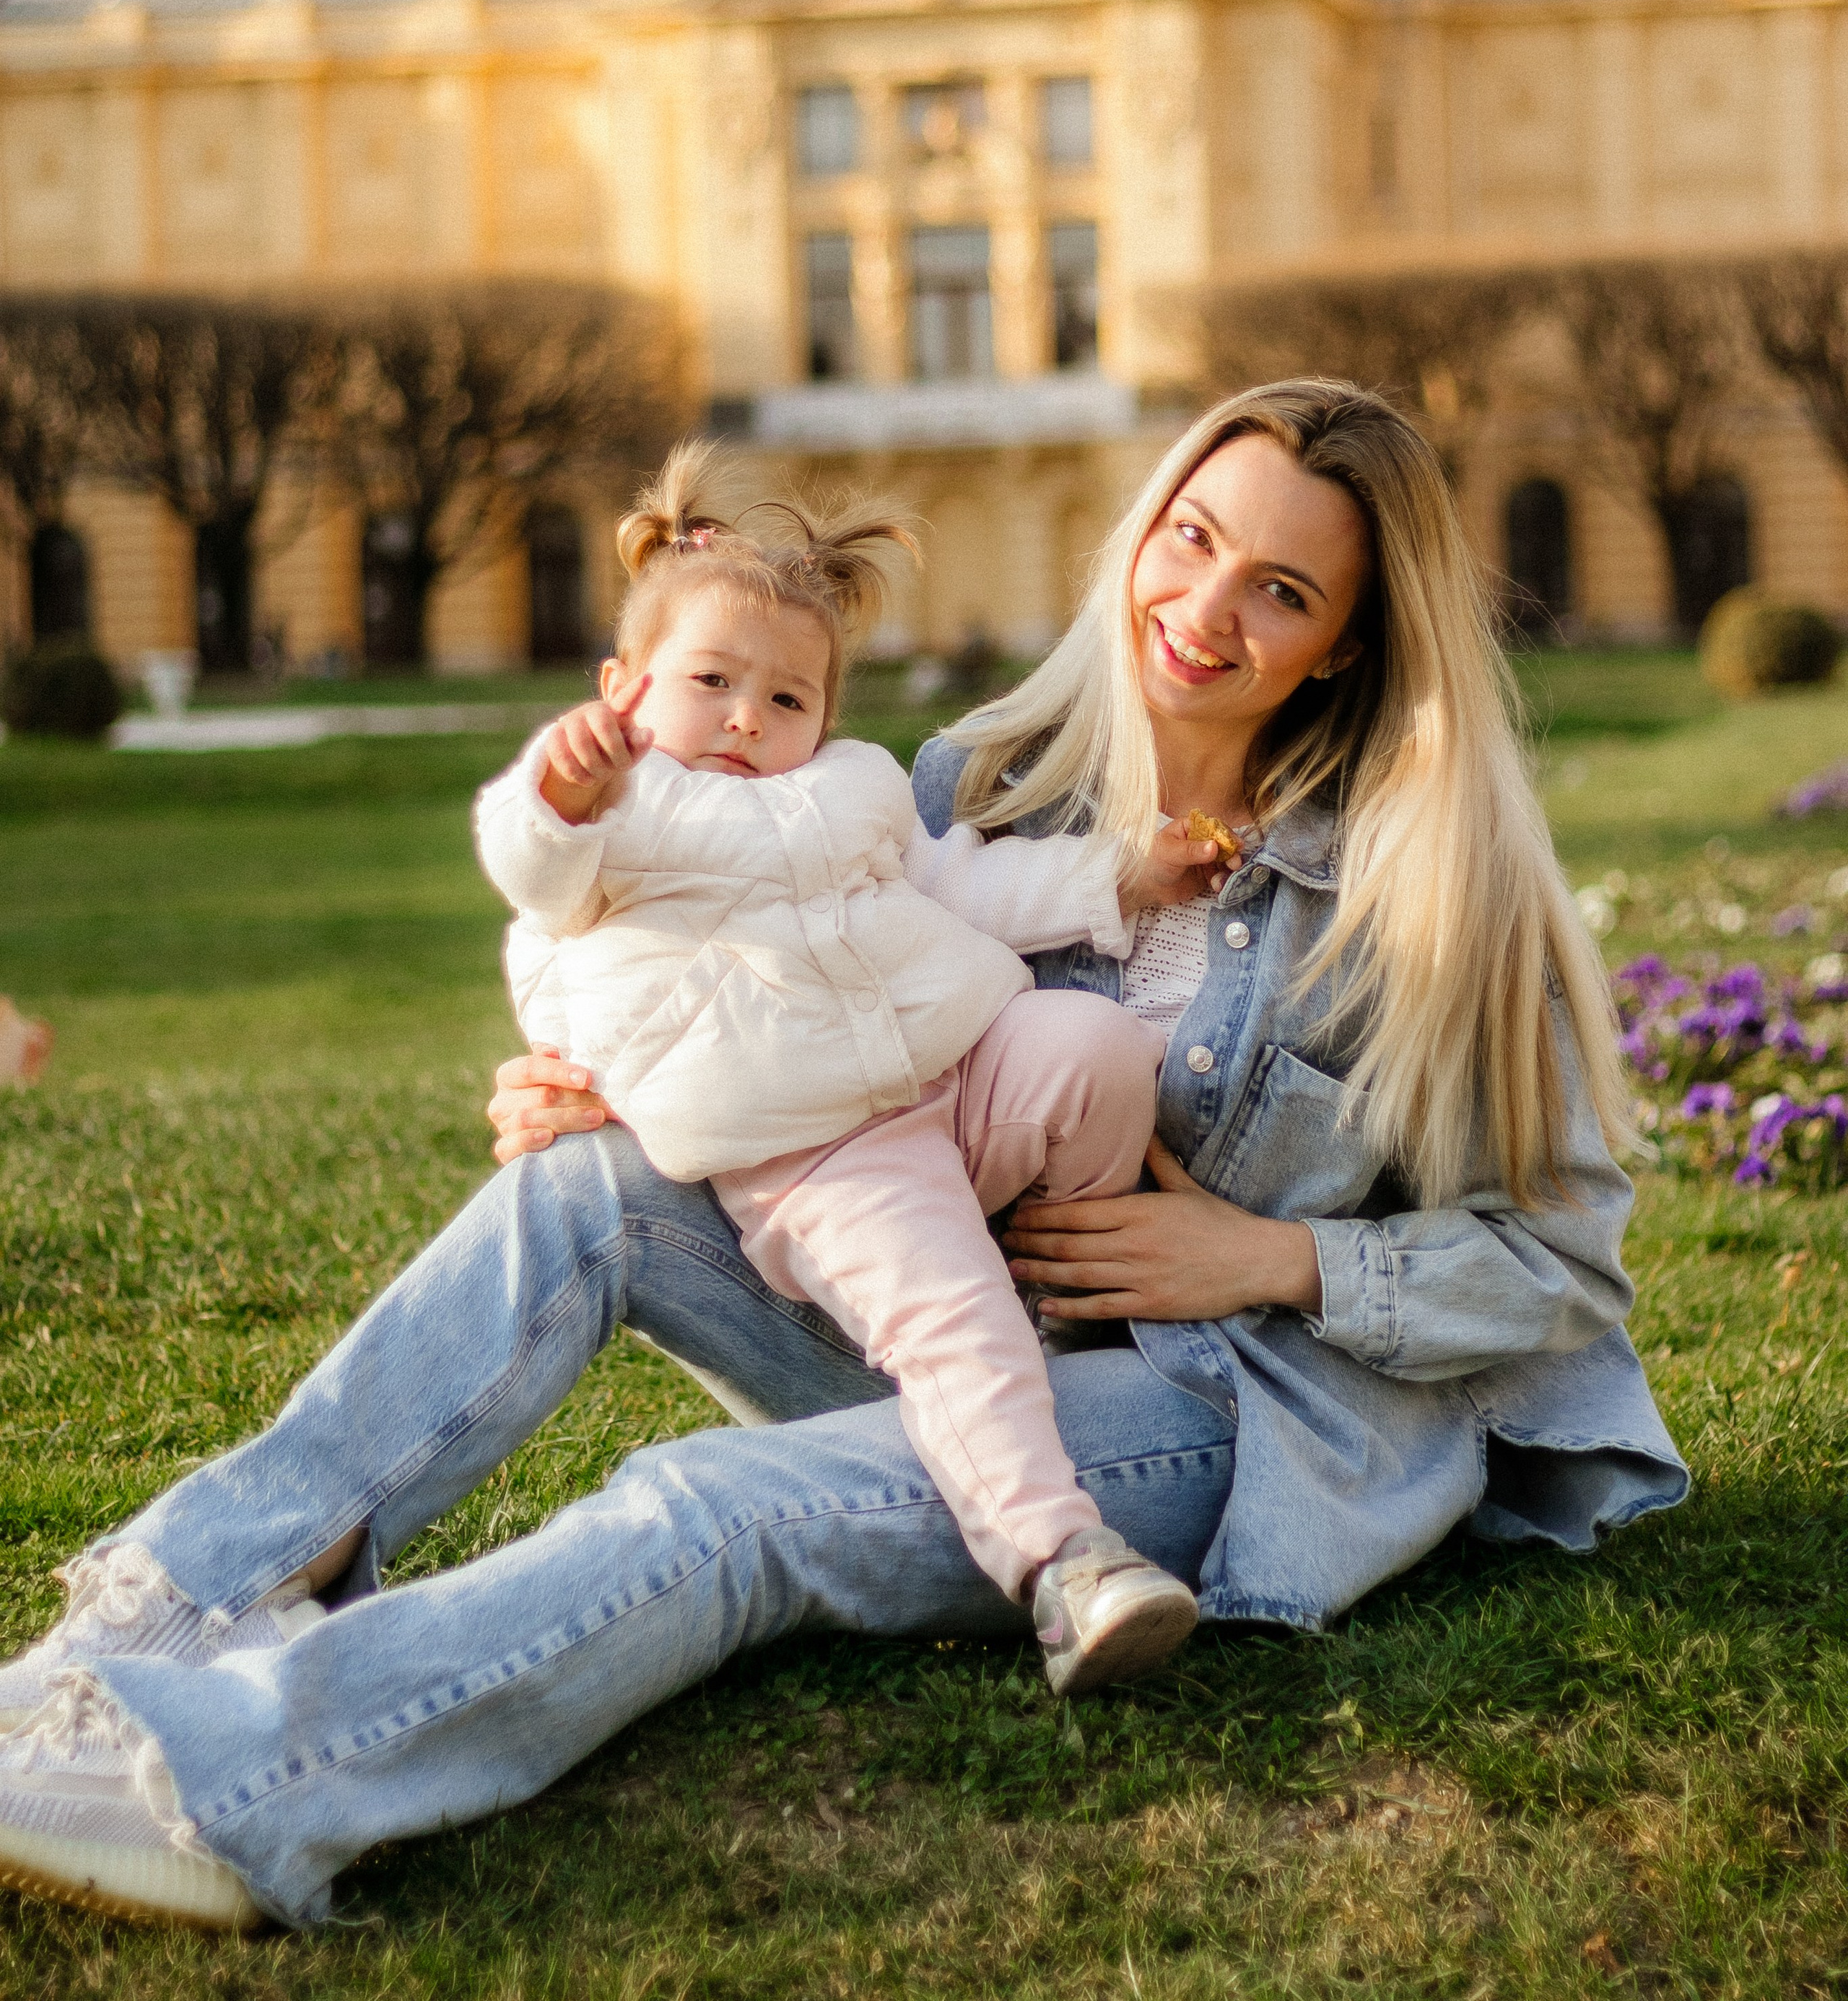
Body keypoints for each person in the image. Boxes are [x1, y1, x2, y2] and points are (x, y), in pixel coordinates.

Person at [0, 381, 1688, 1937]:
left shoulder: (1420, 892)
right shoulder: (972, 786)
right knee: (575, 1195)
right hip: (919, 1316)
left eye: (1281, 590)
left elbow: (1563, 1275)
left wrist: (1280, 1261)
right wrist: (606, 1088)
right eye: (1192, 539)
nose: (1205, 608)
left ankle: (233, 1787)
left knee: (715, 1508)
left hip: (1192, 1420)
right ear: (1142, 532)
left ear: (1338, 646)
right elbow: (737, 972)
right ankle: (130, 1631)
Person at [474, 445, 1206, 1683]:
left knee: (1092, 1050)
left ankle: (1071, 1315)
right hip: (825, 1150)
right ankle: (1061, 1561)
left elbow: (966, 884)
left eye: (788, 700)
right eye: (709, 683)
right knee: (950, 1322)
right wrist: (561, 792)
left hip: (953, 1071)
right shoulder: (614, 820)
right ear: (624, 688)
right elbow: (530, 872)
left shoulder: (848, 791)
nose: (748, 720)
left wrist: (1119, 878)